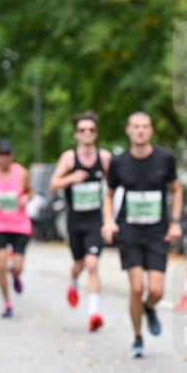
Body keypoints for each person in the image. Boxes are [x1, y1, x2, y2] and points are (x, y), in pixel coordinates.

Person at [101, 112, 183, 358]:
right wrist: (108, 222)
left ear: (151, 131)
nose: (140, 131)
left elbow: (176, 189)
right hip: (130, 230)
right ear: (128, 130)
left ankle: (149, 308)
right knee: (136, 288)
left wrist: (175, 222)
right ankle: (137, 338)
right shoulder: (119, 162)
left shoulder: (165, 158)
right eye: (136, 126)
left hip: (158, 231)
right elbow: (108, 195)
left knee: (156, 291)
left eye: (145, 127)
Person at [50, 111, 112, 332]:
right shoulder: (69, 158)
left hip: (95, 219)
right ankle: (73, 281)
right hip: (75, 219)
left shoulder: (104, 158)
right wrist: (71, 178)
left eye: (91, 129)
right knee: (79, 264)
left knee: (92, 263)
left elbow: (112, 187)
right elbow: (53, 184)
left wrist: (110, 219)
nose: (87, 133)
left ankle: (94, 314)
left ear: (96, 133)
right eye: (82, 129)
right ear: (76, 134)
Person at [0, 139, 32, 318]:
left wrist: (26, 198)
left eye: (7, 154)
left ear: (12, 155)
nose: (4, 158)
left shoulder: (22, 172)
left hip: (20, 225)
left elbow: (29, 192)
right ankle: (7, 303)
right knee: (1, 264)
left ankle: (15, 276)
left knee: (17, 266)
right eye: (1, 154)